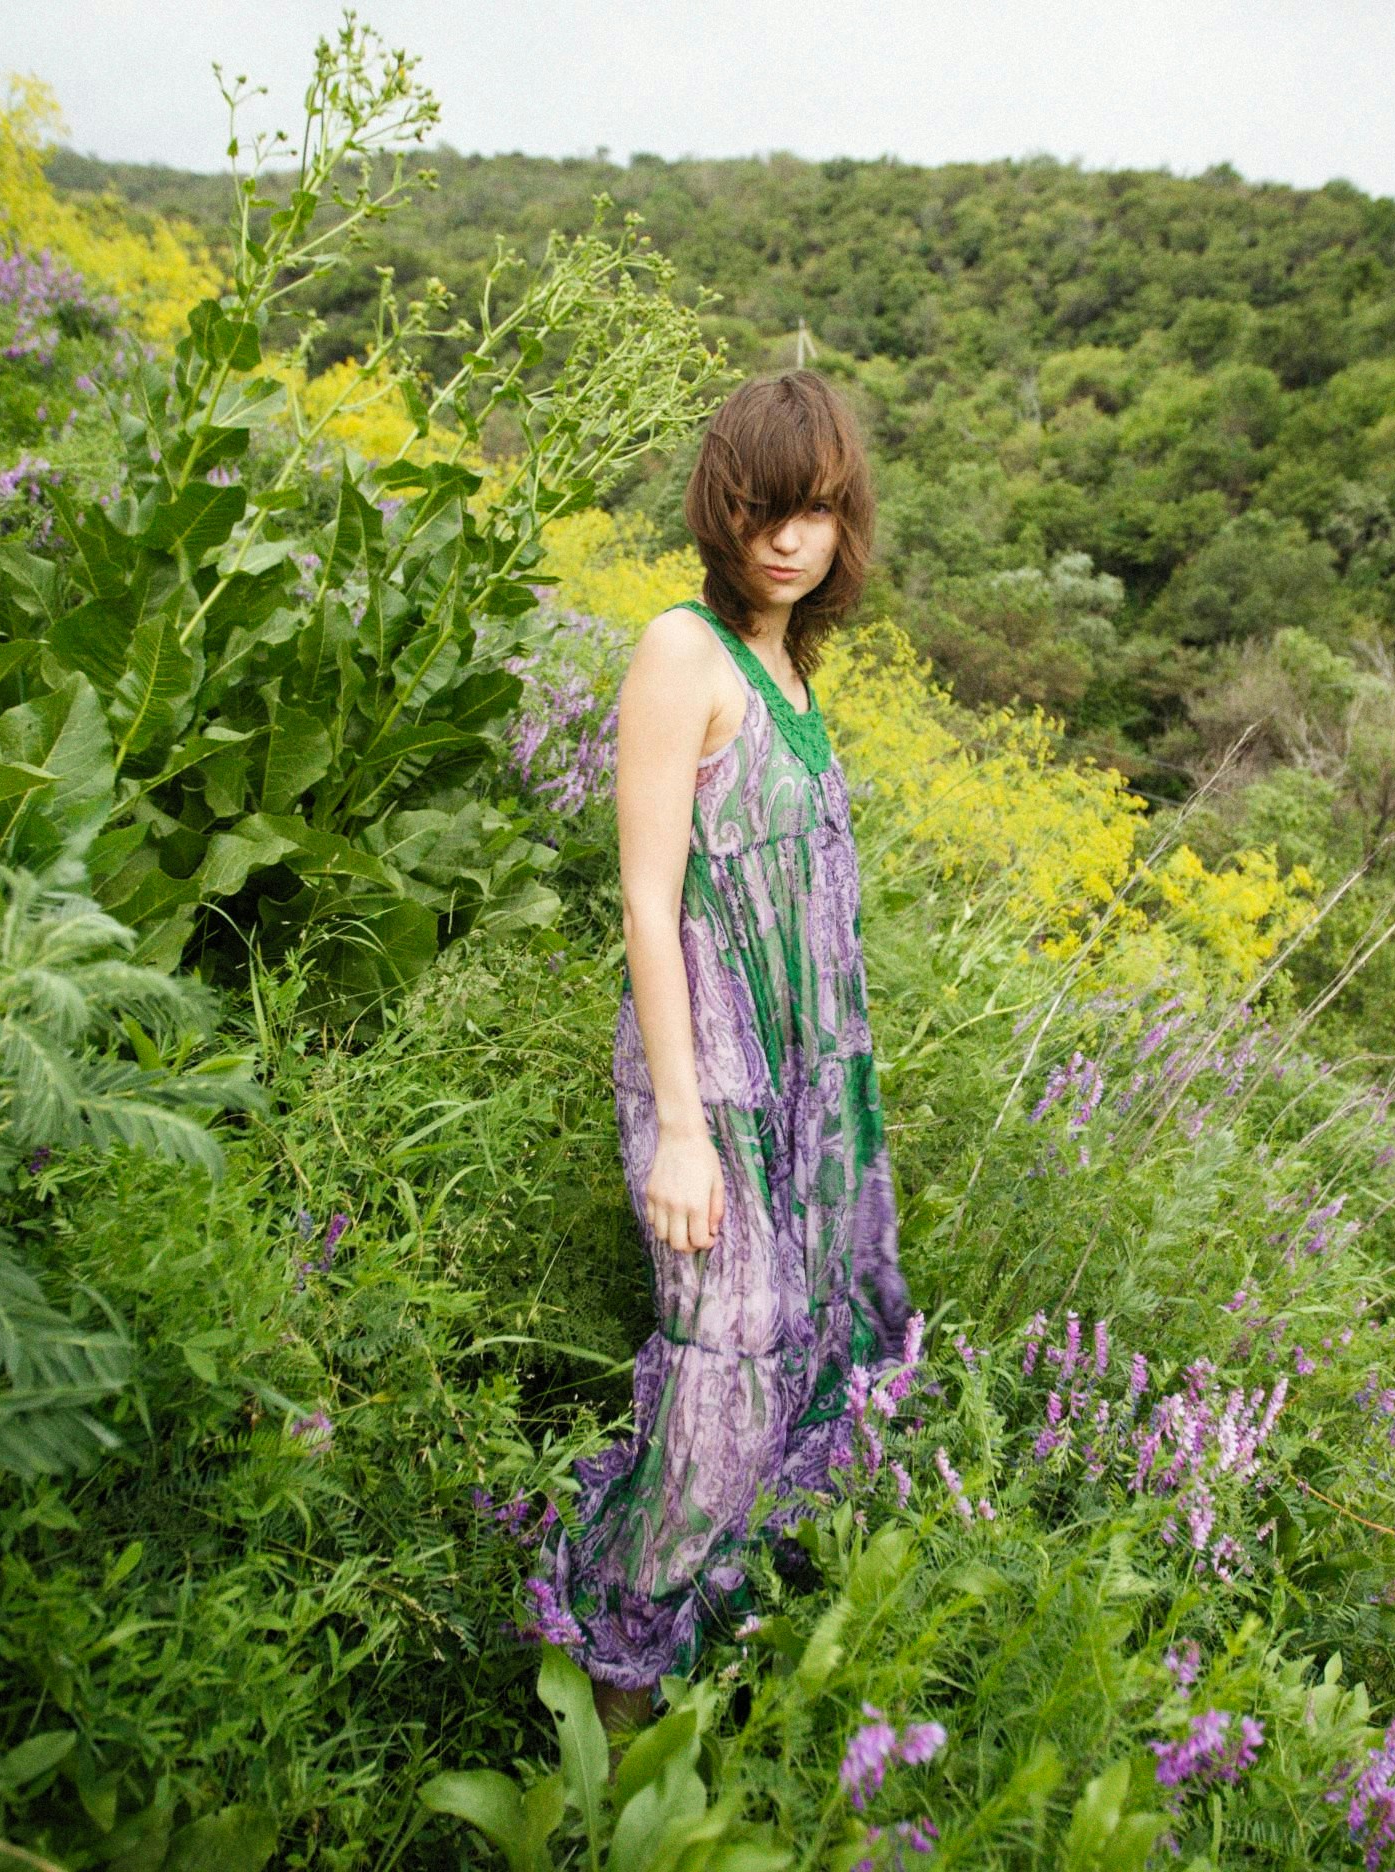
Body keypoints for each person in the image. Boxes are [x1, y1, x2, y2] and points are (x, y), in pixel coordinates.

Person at [541, 369, 913, 1732]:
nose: (787, 535)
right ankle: (610, 1687)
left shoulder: (785, 669)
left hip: (804, 1094)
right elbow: (650, 897)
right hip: (715, 1087)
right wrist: (685, 1129)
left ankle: (693, 1653)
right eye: (764, 504)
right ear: (723, 505)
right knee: (722, 1362)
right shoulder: (682, 650)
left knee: (790, 1357)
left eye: (815, 509)